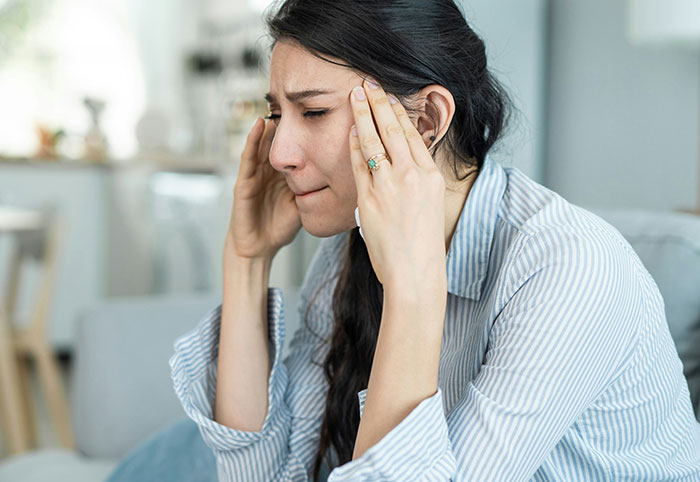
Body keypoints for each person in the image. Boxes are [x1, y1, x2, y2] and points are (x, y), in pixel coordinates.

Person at [169, 0, 700, 480]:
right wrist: (247, 260)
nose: (280, 151)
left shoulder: (569, 269)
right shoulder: (348, 252)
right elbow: (270, 476)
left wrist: (413, 288)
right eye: (277, 113)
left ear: (426, 120)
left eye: (313, 112)